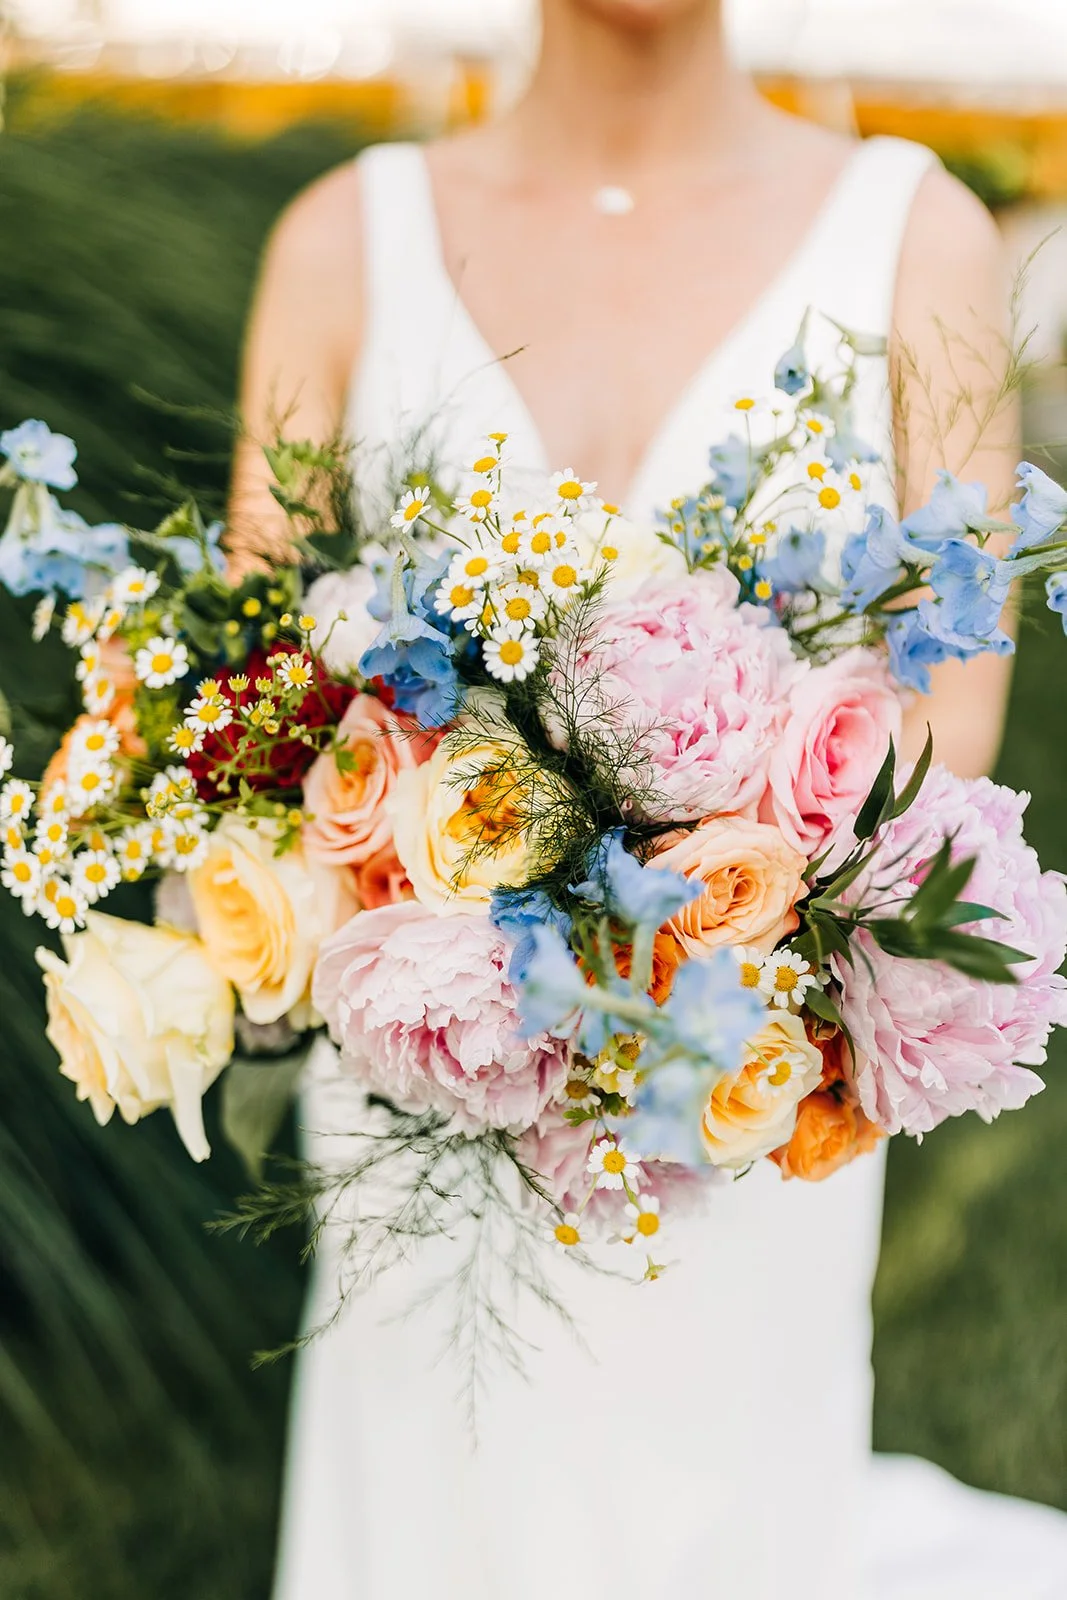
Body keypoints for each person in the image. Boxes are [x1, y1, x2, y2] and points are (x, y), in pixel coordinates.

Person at [229, 3, 1067, 1595]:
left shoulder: (915, 237)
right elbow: (259, 720)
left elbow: (944, 742)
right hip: (428, 1067)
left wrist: (696, 916)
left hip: (744, 1074)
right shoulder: (345, 241)